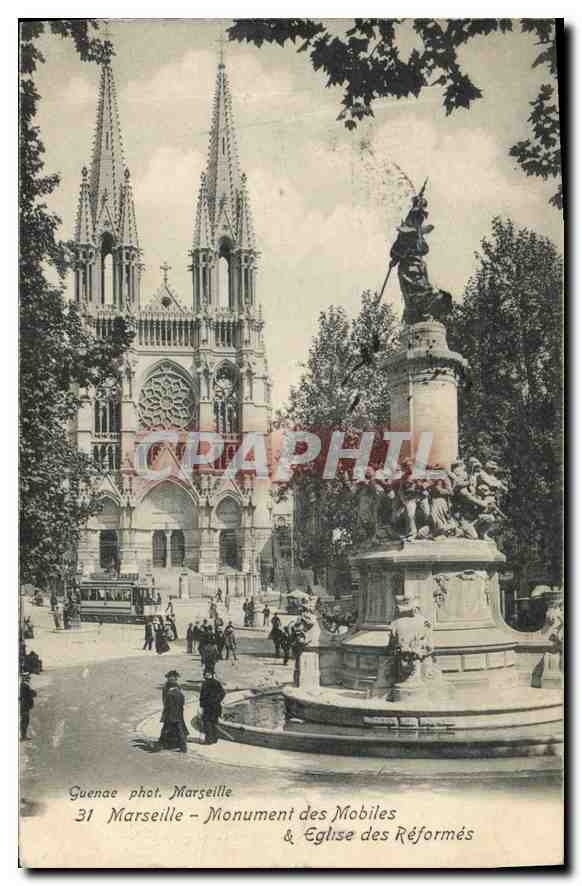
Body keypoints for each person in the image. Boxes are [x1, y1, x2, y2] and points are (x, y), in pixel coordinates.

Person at [159, 671, 188, 752]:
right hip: (177, 712)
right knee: (178, 729)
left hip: (171, 713)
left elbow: (166, 702)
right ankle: (181, 745)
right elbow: (182, 701)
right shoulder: (177, 691)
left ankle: (162, 744)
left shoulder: (170, 691)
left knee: (167, 728)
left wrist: (166, 710)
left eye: (172, 678)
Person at [199, 672, 225, 745]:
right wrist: (217, 700)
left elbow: (202, 696)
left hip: (208, 707)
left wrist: (202, 705)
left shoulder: (205, 684)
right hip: (216, 707)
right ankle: (215, 739)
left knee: (207, 723)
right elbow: (223, 693)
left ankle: (209, 740)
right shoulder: (217, 683)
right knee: (214, 722)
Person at [20, 672, 36, 741]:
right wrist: (33, 692)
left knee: (25, 721)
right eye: (28, 677)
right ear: (25, 678)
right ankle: (23, 737)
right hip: (24, 706)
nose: (29, 678)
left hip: (25, 706)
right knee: (25, 721)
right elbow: (31, 694)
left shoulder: (25, 685)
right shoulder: (24, 686)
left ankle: (24, 736)